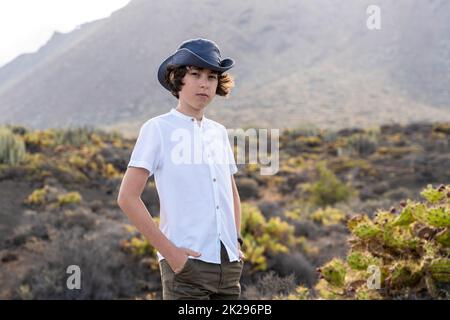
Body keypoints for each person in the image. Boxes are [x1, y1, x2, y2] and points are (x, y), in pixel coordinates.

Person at [117, 38, 245, 300]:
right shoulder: (158, 129)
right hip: (187, 268)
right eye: (195, 74)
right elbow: (127, 197)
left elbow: (230, 192)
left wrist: (237, 241)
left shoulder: (218, 132)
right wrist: (172, 254)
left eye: (211, 77)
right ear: (177, 79)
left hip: (229, 267)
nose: (204, 83)